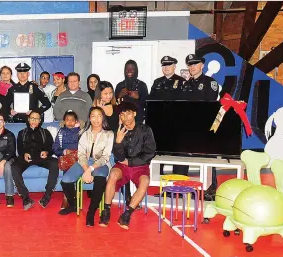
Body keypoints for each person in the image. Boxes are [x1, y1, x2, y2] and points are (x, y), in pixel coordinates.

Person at [99, 102, 156, 230]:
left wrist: (130, 162)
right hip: (122, 166)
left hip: (140, 166)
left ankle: (127, 214)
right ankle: (106, 210)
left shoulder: (145, 130)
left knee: (145, 181)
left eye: (128, 114)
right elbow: (119, 158)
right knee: (113, 174)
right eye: (123, 115)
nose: (126, 118)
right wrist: (118, 142)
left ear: (134, 114)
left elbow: (150, 153)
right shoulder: (118, 131)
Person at [60, 108, 114, 227]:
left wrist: (90, 169)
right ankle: (73, 205)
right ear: (89, 118)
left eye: (99, 116)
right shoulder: (84, 133)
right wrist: (86, 169)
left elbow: (105, 157)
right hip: (83, 162)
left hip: (100, 164)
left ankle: (91, 212)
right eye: (93, 116)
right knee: (65, 180)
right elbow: (81, 154)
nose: (96, 119)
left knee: (100, 180)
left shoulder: (109, 134)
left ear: (103, 117)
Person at [183, 54, 221, 200]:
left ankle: (210, 190)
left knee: (207, 159)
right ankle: (183, 188)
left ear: (202, 65)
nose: (192, 67)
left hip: (204, 128)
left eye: (195, 64)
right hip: (188, 127)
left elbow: (208, 104)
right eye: (190, 64)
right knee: (184, 158)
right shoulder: (186, 84)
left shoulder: (211, 83)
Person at [148, 56, 189, 177]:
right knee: (159, 155)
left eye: (169, 65)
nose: (166, 68)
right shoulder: (157, 82)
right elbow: (151, 102)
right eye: (164, 65)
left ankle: (179, 184)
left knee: (179, 156)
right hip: (160, 126)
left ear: (174, 66)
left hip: (177, 126)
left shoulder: (182, 82)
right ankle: (159, 184)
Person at [11, 111, 59, 210]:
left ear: (40, 121)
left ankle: (47, 196)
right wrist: (24, 153)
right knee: (14, 167)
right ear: (28, 119)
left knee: (55, 163)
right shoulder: (22, 133)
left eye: (36, 118)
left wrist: (46, 152)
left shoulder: (45, 132)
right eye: (32, 118)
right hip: (27, 158)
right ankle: (26, 198)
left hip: (42, 158)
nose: (34, 120)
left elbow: (51, 147)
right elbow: (19, 149)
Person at [51, 111, 81, 210]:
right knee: (67, 173)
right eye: (67, 120)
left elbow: (85, 146)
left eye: (72, 120)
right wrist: (64, 151)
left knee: (77, 172)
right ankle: (66, 198)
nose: (70, 122)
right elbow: (55, 148)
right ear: (64, 121)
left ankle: (76, 196)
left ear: (76, 121)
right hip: (66, 159)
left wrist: (77, 152)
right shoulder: (61, 132)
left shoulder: (80, 132)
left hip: (78, 158)